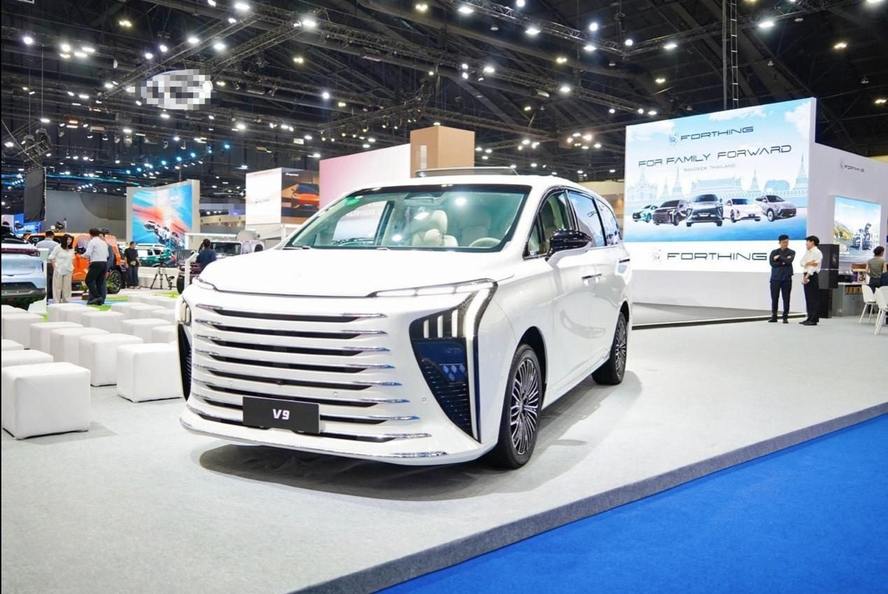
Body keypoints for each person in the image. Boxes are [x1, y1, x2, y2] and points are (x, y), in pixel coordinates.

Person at [768, 234, 795, 323]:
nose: (786, 244)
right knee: (774, 298)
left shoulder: (791, 252)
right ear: (779, 243)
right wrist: (783, 262)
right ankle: (774, 316)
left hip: (786, 279)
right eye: (784, 242)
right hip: (775, 279)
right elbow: (772, 264)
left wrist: (779, 258)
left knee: (786, 298)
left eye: (787, 242)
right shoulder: (774, 252)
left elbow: (789, 261)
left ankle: (785, 317)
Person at [799, 235, 823, 326]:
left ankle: (814, 319)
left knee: (813, 298)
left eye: (807, 242)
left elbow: (814, 266)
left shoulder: (817, 252)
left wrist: (807, 276)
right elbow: (801, 262)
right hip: (806, 274)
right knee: (808, 298)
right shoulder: (808, 252)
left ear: (812, 242)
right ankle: (809, 317)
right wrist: (808, 263)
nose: (806, 244)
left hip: (812, 275)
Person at [84, 228, 110, 305]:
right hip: (104, 263)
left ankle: (97, 297)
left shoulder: (92, 241)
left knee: (88, 280)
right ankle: (100, 301)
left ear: (90, 234)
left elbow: (88, 253)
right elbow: (107, 255)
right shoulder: (103, 242)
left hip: (96, 263)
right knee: (100, 283)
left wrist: (82, 255)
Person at [49, 235, 74, 303]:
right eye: (68, 239)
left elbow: (72, 259)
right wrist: (55, 267)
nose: (69, 241)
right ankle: (56, 301)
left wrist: (72, 268)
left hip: (68, 269)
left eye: (70, 240)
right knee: (57, 287)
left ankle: (66, 301)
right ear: (64, 240)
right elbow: (51, 257)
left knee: (67, 287)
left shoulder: (71, 249)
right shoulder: (58, 247)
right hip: (59, 269)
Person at [35, 230, 58, 302]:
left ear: (45, 235)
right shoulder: (56, 244)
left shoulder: (39, 244)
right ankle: (52, 296)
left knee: (44, 280)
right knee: (53, 281)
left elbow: (36, 253)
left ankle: (44, 297)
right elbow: (57, 255)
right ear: (52, 236)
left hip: (41, 264)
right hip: (51, 264)